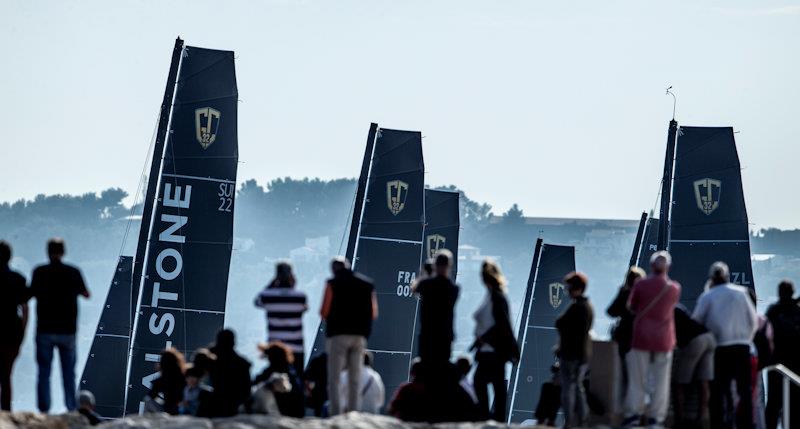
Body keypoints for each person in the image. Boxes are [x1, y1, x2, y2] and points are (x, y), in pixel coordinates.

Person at [693, 262, 758, 429]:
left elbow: (696, 321)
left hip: (720, 348)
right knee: (745, 391)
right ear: (728, 276)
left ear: (711, 278)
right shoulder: (742, 293)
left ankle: (719, 424)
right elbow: (753, 321)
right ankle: (746, 424)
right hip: (742, 348)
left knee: (718, 391)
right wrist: (747, 339)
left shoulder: (707, 296)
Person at [29, 238, 90, 413]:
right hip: (68, 330)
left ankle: (44, 409)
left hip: (45, 329)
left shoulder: (39, 272)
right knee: (69, 373)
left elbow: (29, 293)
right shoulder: (73, 272)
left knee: (44, 371)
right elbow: (86, 294)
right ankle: (71, 408)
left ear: (47, 252)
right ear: (63, 252)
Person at [623, 251, 680, 428]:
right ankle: (656, 418)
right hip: (664, 340)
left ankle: (634, 415)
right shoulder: (674, 288)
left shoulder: (640, 285)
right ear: (668, 267)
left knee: (637, 379)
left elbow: (631, 307)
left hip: (642, 337)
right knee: (662, 381)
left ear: (651, 266)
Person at [319, 256, 377, 415]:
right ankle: (353, 412)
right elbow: (373, 312)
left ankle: (336, 412)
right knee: (355, 375)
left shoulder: (332, 284)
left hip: (338, 335)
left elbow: (324, 312)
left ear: (333, 269)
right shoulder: (367, 284)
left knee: (335, 377)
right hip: (359, 336)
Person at [471, 259, 519, 421]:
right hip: (489, 350)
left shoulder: (497, 297)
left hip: (493, 351)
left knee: (482, 382)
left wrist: (484, 338)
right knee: (494, 385)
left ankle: (489, 418)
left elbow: (502, 325)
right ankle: (493, 418)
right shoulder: (493, 295)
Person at [254, 261, 308, 378]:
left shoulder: (268, 296)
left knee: (276, 381)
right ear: (291, 276)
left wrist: (271, 284)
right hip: (296, 346)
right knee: (297, 380)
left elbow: (257, 301)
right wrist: (293, 286)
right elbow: (304, 308)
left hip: (276, 348)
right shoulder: (300, 296)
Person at [555, 271, 594, 429]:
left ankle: (569, 421)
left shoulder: (578, 308)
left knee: (568, 390)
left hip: (571, 356)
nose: (567, 291)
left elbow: (562, 324)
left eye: (569, 288)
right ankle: (582, 420)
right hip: (581, 355)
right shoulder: (586, 307)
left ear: (577, 288)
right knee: (577, 387)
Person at [607, 266, 645, 412]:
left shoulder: (625, 293)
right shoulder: (644, 295)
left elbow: (611, 311)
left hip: (625, 340)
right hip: (642, 341)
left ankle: (624, 410)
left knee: (624, 376)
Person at [673, 303, 716, 427]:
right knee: (703, 381)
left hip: (695, 341)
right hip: (709, 338)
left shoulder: (666, 309)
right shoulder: (680, 308)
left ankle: (679, 420)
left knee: (679, 383)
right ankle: (702, 418)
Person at [765, 280, 800, 429]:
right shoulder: (797, 313)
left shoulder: (773, 311)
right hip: (795, 365)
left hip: (776, 364)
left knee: (773, 404)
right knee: (794, 406)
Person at [415, 250, 460, 366]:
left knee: (425, 371)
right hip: (445, 337)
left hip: (428, 335)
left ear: (436, 265)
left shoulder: (427, 284)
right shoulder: (454, 288)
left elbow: (415, 288)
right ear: (449, 266)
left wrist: (427, 272)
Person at [0, 240, 28, 411]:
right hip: (12, 334)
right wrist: (22, 334)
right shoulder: (18, 279)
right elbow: (25, 309)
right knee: (6, 376)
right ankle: (6, 413)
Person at [253, 341, 304, 417]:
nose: (269, 360)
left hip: (285, 412)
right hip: (293, 412)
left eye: (269, 357)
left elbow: (255, 383)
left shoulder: (271, 372)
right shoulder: (290, 372)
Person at [208, 329, 252, 417]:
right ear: (233, 343)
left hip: (217, 405)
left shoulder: (211, 359)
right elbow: (246, 391)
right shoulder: (242, 363)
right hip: (234, 407)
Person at [146, 348, 187, 415]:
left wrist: (163, 404)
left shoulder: (161, 380)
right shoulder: (184, 377)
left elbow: (151, 397)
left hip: (172, 410)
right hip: (180, 410)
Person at [304, 352, 328, 417]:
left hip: (317, 390)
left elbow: (306, 376)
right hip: (326, 390)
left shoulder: (315, 361)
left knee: (318, 410)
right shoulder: (330, 363)